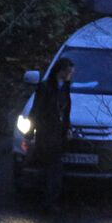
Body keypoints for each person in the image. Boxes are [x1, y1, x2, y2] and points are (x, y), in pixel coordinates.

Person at [28, 58, 75, 212]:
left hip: (57, 134)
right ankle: (48, 201)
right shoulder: (45, 88)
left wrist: (67, 129)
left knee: (52, 168)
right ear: (61, 71)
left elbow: (65, 112)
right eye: (69, 72)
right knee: (51, 168)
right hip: (47, 133)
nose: (71, 75)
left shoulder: (65, 88)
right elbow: (36, 111)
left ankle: (49, 200)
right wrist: (31, 133)